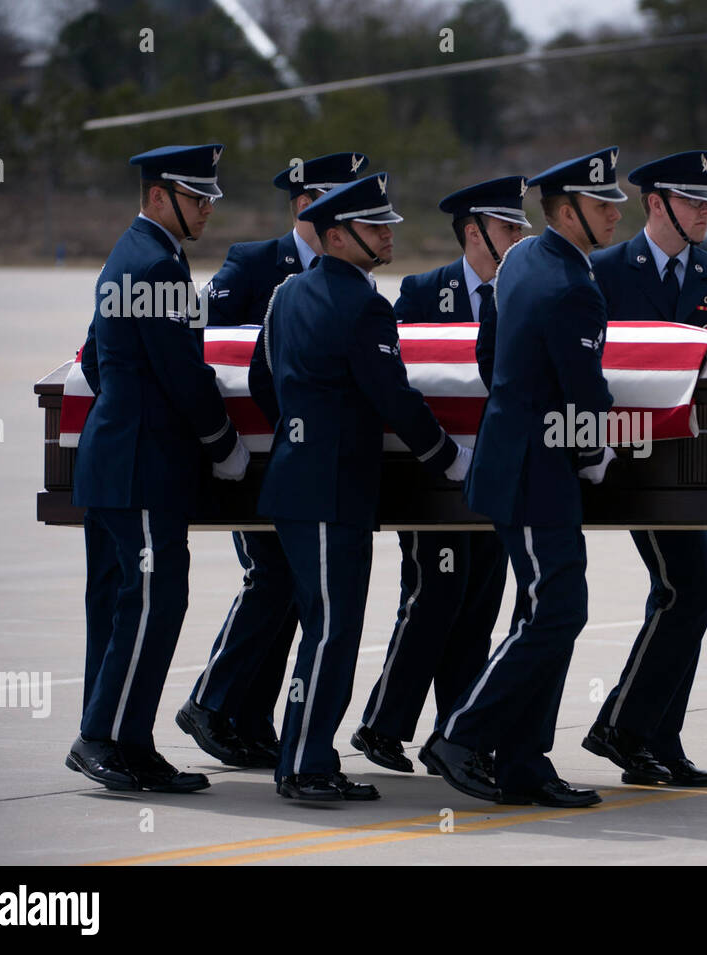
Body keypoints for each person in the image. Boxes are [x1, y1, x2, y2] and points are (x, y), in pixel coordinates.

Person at [250, 172, 471, 801]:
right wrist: (444, 456)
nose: (387, 235)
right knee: (332, 630)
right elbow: (392, 396)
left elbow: (263, 382)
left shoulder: (288, 295)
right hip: (329, 492)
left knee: (327, 627)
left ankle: (306, 757)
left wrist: (301, 431)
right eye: (375, 227)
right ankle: (303, 766)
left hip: (305, 482)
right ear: (337, 236)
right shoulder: (364, 304)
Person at [419, 147, 626, 809]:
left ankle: (525, 759)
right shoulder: (570, 285)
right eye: (602, 206)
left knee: (544, 611)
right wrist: (596, 449)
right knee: (557, 610)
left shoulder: (520, 261)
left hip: (515, 457)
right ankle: (460, 733)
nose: (613, 216)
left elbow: (487, 351)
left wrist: (513, 401)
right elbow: (584, 390)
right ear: (568, 211)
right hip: (537, 473)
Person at [178, 151, 369, 770]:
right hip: (253, 457)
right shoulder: (254, 264)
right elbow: (212, 350)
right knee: (272, 579)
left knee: (295, 591)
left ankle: (251, 715)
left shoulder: (355, 270)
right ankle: (211, 702)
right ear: (307, 205)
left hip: (302, 459)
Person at [69, 144, 249, 793]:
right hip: (142, 466)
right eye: (196, 198)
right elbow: (183, 373)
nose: (206, 209)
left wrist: (122, 401)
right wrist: (223, 441)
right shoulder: (156, 268)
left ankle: (130, 742)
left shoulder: (132, 256)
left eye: (208, 199)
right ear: (158, 196)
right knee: (152, 600)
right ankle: (99, 737)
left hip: (117, 456)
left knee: (126, 604)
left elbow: (93, 357)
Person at [351, 176, 528, 773]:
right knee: (434, 595)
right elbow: (399, 379)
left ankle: (458, 731)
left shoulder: (522, 290)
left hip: (496, 475)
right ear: (474, 232)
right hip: (436, 478)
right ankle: (382, 725)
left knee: (482, 601)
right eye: (508, 227)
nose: (520, 235)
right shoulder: (424, 291)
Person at [583, 150, 707, 789]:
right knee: (693, 588)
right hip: (633, 457)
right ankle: (623, 727)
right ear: (656, 204)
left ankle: (658, 742)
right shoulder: (604, 271)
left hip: (698, 459)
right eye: (693, 201)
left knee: (681, 593)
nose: (706, 212)